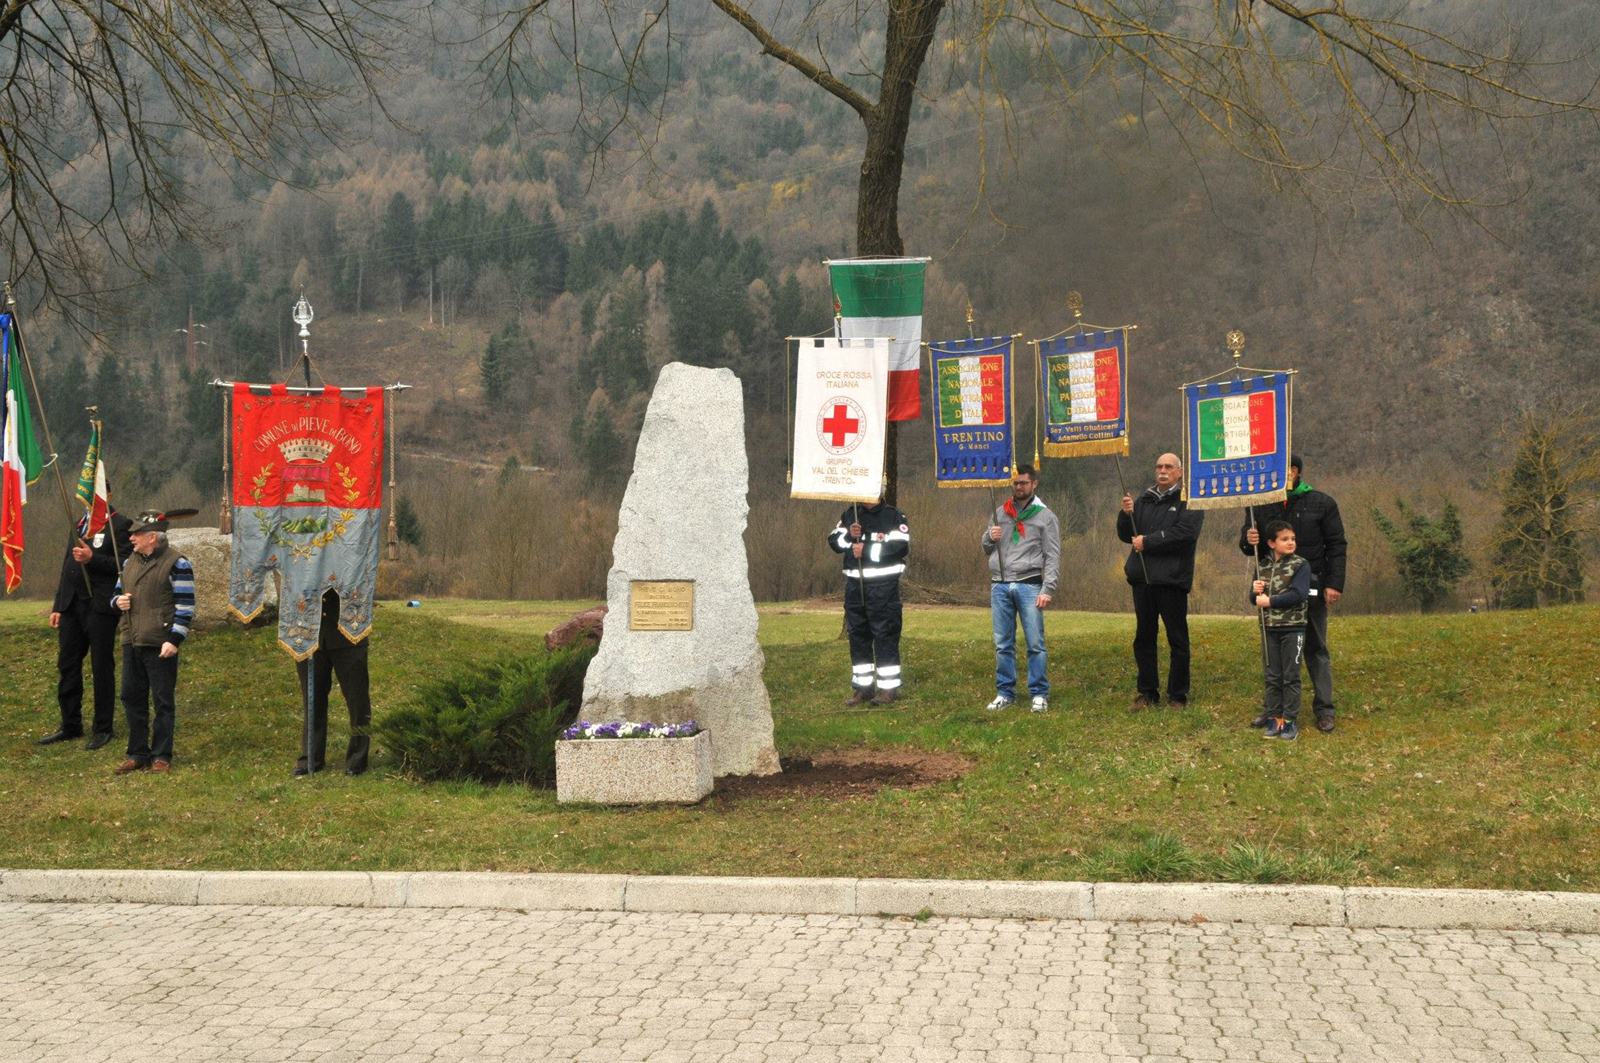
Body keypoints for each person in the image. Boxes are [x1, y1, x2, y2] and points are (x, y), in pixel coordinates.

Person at [1239, 454, 1347, 732]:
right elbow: (1249, 544)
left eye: (1280, 468)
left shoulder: (1322, 503)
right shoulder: (1260, 503)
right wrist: (1247, 539)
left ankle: (1324, 708)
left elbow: (1336, 545)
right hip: (1271, 590)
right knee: (1273, 655)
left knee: (1315, 648)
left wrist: (1333, 583)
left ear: (1294, 471)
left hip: (1310, 588)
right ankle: (1273, 710)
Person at [37, 511, 132, 750]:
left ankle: (102, 728)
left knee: (100, 666)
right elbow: (67, 565)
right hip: (71, 606)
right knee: (67, 665)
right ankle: (70, 724)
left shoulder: (119, 524)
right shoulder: (78, 522)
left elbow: (125, 564)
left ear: (105, 492)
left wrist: (92, 559)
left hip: (100, 605)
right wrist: (58, 605)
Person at [1118, 453, 1205, 708]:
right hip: (1142, 578)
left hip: (1171, 579)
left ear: (1179, 472)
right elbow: (1127, 536)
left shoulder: (1189, 500)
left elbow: (1185, 534)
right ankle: (1147, 692)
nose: (1162, 471)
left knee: (1177, 639)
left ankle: (1177, 695)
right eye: (1159, 466)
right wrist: (1126, 515)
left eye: (1168, 467)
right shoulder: (1143, 500)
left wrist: (1149, 541)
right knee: (1144, 637)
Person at [110, 512, 195, 775]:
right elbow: (115, 595)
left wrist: (174, 640)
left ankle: (161, 756)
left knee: (162, 702)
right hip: (132, 640)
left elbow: (186, 606)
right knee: (131, 697)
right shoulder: (128, 563)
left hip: (161, 643)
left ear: (152, 537)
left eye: (137, 534)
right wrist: (117, 602)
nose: (131, 537)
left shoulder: (177, 563)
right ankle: (137, 753)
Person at [982, 465, 1060, 713]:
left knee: (1035, 643)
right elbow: (986, 548)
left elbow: (1053, 555)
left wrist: (1048, 588)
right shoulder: (1000, 512)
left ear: (1034, 484)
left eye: (1024, 483)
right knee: (1003, 643)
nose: (1019, 487)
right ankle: (1005, 692)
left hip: (1029, 585)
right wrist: (988, 537)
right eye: (1015, 483)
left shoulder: (1046, 516)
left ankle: (1039, 692)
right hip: (1000, 585)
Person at [827, 499, 910, 704]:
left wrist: (867, 551)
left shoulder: (893, 516)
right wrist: (849, 535)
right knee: (858, 636)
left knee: (885, 634)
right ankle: (863, 689)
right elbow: (834, 542)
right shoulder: (850, 515)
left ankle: (888, 689)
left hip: (883, 587)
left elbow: (900, 547)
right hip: (855, 586)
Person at [294, 589, 373, 776]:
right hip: (308, 632)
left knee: (357, 701)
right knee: (313, 701)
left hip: (348, 633)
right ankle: (311, 757)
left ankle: (357, 759)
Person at [1251, 520, 1312, 741]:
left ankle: (1289, 720)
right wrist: (1255, 591)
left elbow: (1299, 594)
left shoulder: (1300, 564)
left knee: (1290, 676)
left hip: (1292, 627)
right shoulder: (1262, 565)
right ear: (1271, 542)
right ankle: (1274, 717)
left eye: (1293, 539)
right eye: (1285, 539)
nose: (1290, 542)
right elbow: (1254, 599)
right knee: (1272, 675)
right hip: (1269, 628)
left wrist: (1271, 601)